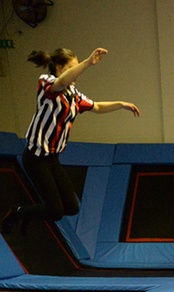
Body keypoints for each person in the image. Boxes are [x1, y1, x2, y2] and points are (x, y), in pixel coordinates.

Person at [1, 47, 140, 236]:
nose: (78, 73)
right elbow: (61, 82)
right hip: (35, 159)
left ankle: (29, 215)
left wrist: (121, 105)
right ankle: (17, 213)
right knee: (55, 211)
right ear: (59, 67)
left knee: (72, 207)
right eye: (73, 68)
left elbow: (97, 107)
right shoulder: (47, 83)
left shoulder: (74, 95)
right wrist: (87, 63)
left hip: (53, 160)